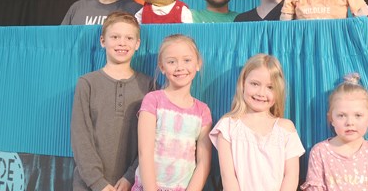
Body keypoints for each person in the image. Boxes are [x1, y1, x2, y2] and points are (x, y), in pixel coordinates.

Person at [71, 11, 154, 191]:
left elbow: (152, 139)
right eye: (115, 37)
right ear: (103, 41)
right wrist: (98, 183)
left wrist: (130, 177)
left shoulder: (149, 85)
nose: (122, 43)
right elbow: (80, 137)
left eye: (129, 38)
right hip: (89, 185)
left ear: (137, 44)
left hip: (132, 184)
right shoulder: (87, 83)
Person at [209, 54, 305, 191]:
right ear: (243, 84)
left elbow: (291, 176)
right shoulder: (227, 126)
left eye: (270, 87)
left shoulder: (286, 128)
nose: (261, 93)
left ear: (278, 91)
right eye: (255, 84)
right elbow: (228, 176)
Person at [132, 34, 212, 191]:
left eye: (187, 60)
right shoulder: (153, 100)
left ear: (198, 64)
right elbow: (144, 152)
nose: (180, 67)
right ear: (162, 67)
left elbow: (204, 162)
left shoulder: (202, 111)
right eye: (171, 62)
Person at [300, 73, 368, 191]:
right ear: (331, 119)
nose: (349, 122)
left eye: (358, 115)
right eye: (341, 115)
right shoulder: (320, 152)